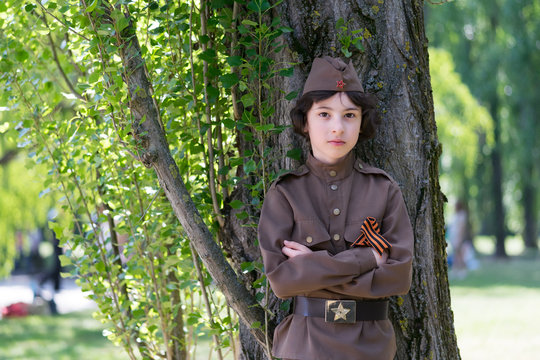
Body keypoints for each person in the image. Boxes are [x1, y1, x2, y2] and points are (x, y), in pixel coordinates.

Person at [258, 56, 414, 360]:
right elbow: (282, 281)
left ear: (361, 122)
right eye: (325, 114)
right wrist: (368, 258)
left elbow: (398, 278)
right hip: (305, 346)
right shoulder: (285, 193)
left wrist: (312, 266)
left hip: (371, 348)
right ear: (305, 122)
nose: (338, 127)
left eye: (350, 115)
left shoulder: (383, 190)